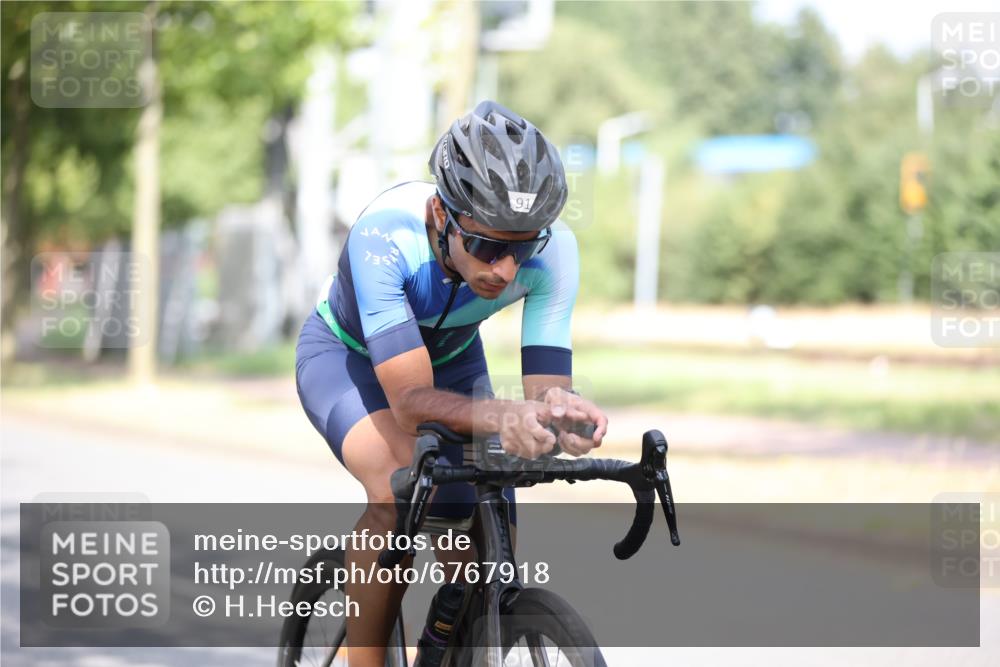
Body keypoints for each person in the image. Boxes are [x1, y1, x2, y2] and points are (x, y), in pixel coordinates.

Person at [295, 100, 608, 666]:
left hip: (454, 358)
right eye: (488, 246)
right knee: (399, 490)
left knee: (485, 514)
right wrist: (500, 416)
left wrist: (561, 414)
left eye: (523, 246)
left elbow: (544, 391)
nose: (506, 269)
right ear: (441, 214)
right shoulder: (384, 237)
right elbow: (412, 404)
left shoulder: (555, 250)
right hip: (349, 357)